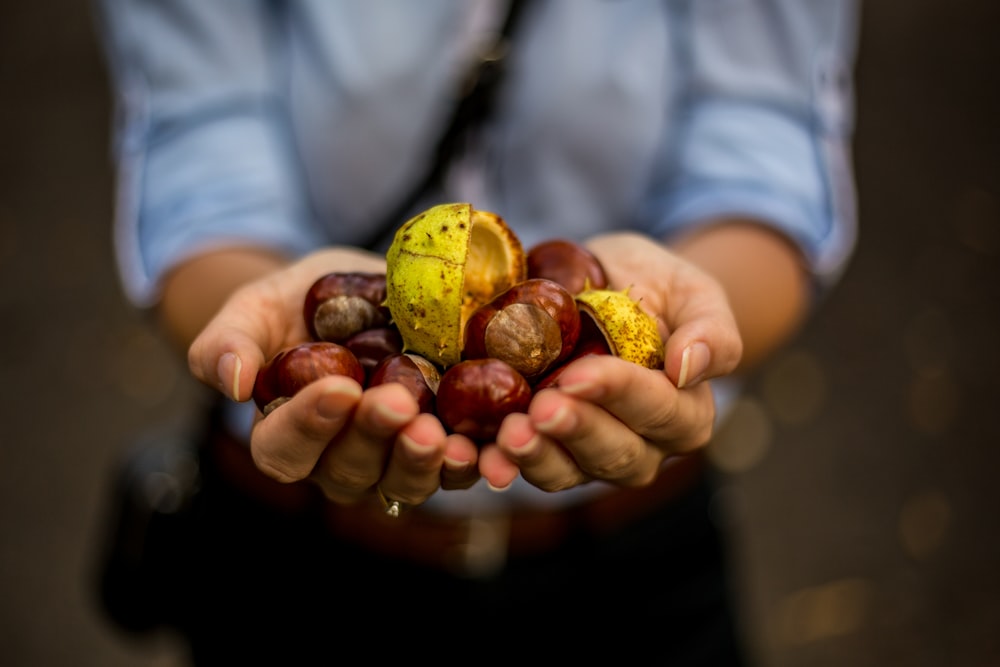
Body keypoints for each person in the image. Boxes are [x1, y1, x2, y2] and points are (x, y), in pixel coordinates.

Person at [93, 1, 860, 664]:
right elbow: (199, 150)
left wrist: (691, 316)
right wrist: (254, 323)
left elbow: (766, 144)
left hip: (634, 561)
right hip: (292, 556)